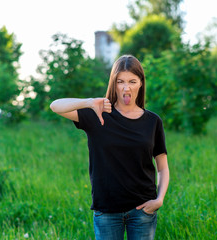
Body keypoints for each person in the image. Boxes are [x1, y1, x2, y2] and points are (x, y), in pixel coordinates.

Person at [50, 55, 169, 240]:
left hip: (143, 210)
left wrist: (159, 199)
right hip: (106, 211)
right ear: (113, 83)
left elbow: (162, 166)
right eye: (120, 81)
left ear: (141, 83)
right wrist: (89, 102)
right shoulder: (98, 114)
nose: (126, 87)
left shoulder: (153, 121)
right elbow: (55, 106)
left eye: (132, 81)